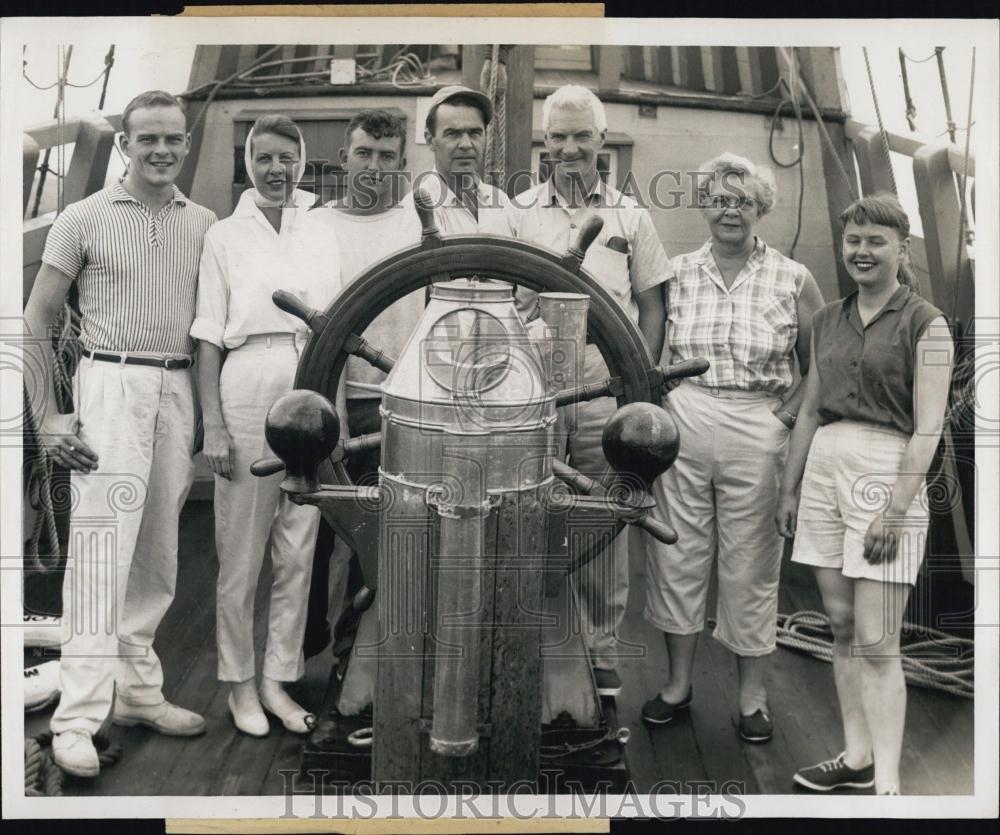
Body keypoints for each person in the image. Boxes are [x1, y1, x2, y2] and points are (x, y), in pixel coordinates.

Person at [24, 90, 216, 777]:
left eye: (173, 139)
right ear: (125, 145)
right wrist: (50, 417)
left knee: (158, 552)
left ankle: (137, 692)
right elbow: (36, 318)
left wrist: (205, 410)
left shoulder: (206, 224)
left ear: (186, 145)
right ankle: (76, 717)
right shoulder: (82, 218)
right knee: (102, 553)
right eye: (148, 139)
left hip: (178, 385)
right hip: (112, 384)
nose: (161, 150)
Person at [640, 152, 824, 741]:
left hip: (758, 420)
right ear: (703, 205)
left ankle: (751, 699)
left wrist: (787, 413)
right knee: (677, 554)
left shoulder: (794, 277)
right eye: (719, 199)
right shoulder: (677, 270)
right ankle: (677, 686)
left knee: (751, 563)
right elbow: (651, 340)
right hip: (687, 412)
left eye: (742, 200)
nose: (729, 211)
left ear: (760, 209)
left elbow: (820, 363)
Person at [777, 194, 952, 794]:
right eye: (854, 240)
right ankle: (857, 758)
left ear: (903, 250)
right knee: (844, 626)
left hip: (887, 469)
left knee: (879, 641)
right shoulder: (827, 318)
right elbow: (805, 415)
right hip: (825, 464)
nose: (861, 251)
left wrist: (896, 510)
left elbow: (928, 427)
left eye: (876, 241)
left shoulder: (925, 323)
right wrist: (789, 488)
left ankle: (890, 787)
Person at [506, 84, 669, 698]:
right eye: (558, 137)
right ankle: (541, 649)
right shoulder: (520, 211)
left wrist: (640, 387)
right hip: (536, 391)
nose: (570, 148)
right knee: (529, 513)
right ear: (545, 144)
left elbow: (653, 307)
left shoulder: (634, 216)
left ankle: (600, 652)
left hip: (606, 391)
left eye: (581, 136)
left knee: (604, 517)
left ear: (602, 141)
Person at [192, 115, 342, 737]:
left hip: (310, 381)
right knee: (241, 552)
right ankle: (239, 685)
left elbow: (335, 318)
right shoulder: (224, 236)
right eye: (264, 158)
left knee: (297, 548)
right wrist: (215, 427)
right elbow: (206, 338)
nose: (277, 169)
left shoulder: (321, 229)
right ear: (247, 165)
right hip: (248, 380)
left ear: (302, 162)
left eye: (288, 157)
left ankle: (279, 681)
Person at [308, 110, 422, 647]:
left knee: (375, 531)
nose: (374, 167)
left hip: (393, 402)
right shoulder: (314, 225)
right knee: (315, 534)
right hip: (326, 397)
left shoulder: (418, 226)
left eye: (386, 157)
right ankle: (304, 644)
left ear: (402, 164)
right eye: (363, 154)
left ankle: (353, 652)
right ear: (344, 158)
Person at [400, 84, 511, 235]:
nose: (466, 145)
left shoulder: (501, 201)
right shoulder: (413, 209)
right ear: (430, 140)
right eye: (452, 134)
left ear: (486, 136)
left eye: (475, 133)